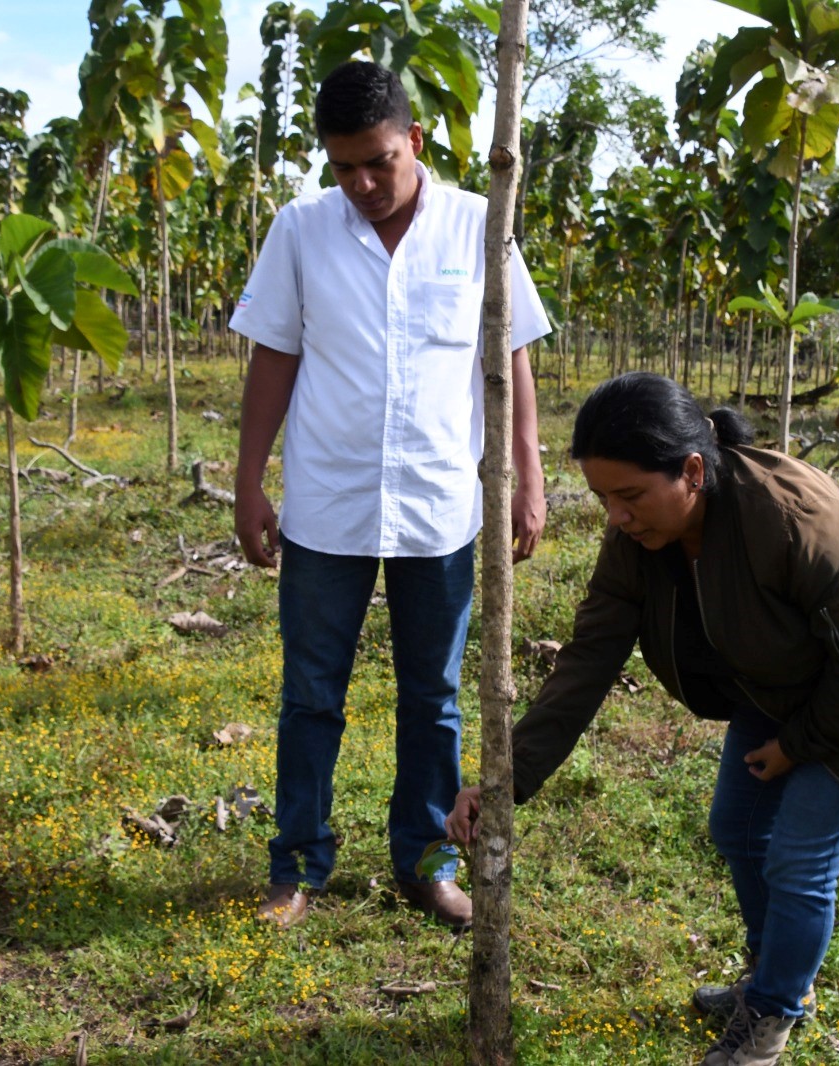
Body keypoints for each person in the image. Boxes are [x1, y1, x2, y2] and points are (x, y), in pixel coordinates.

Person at [446, 373, 839, 1065]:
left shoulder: (793, 519)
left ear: (691, 470)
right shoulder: (639, 539)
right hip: (774, 680)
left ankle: (771, 1017)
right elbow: (588, 659)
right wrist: (508, 782)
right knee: (737, 831)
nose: (616, 517)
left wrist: (798, 746)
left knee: (799, 857)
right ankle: (774, 976)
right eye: (602, 499)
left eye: (629, 496)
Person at [231, 60, 551, 932]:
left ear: (414, 140)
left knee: (434, 696)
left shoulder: (481, 226)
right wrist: (249, 478)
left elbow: (512, 351)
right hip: (328, 504)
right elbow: (274, 357)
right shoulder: (300, 231)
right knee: (310, 693)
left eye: (379, 161)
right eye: (344, 167)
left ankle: (427, 860)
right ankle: (297, 863)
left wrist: (528, 472)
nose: (363, 183)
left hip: (441, 504)